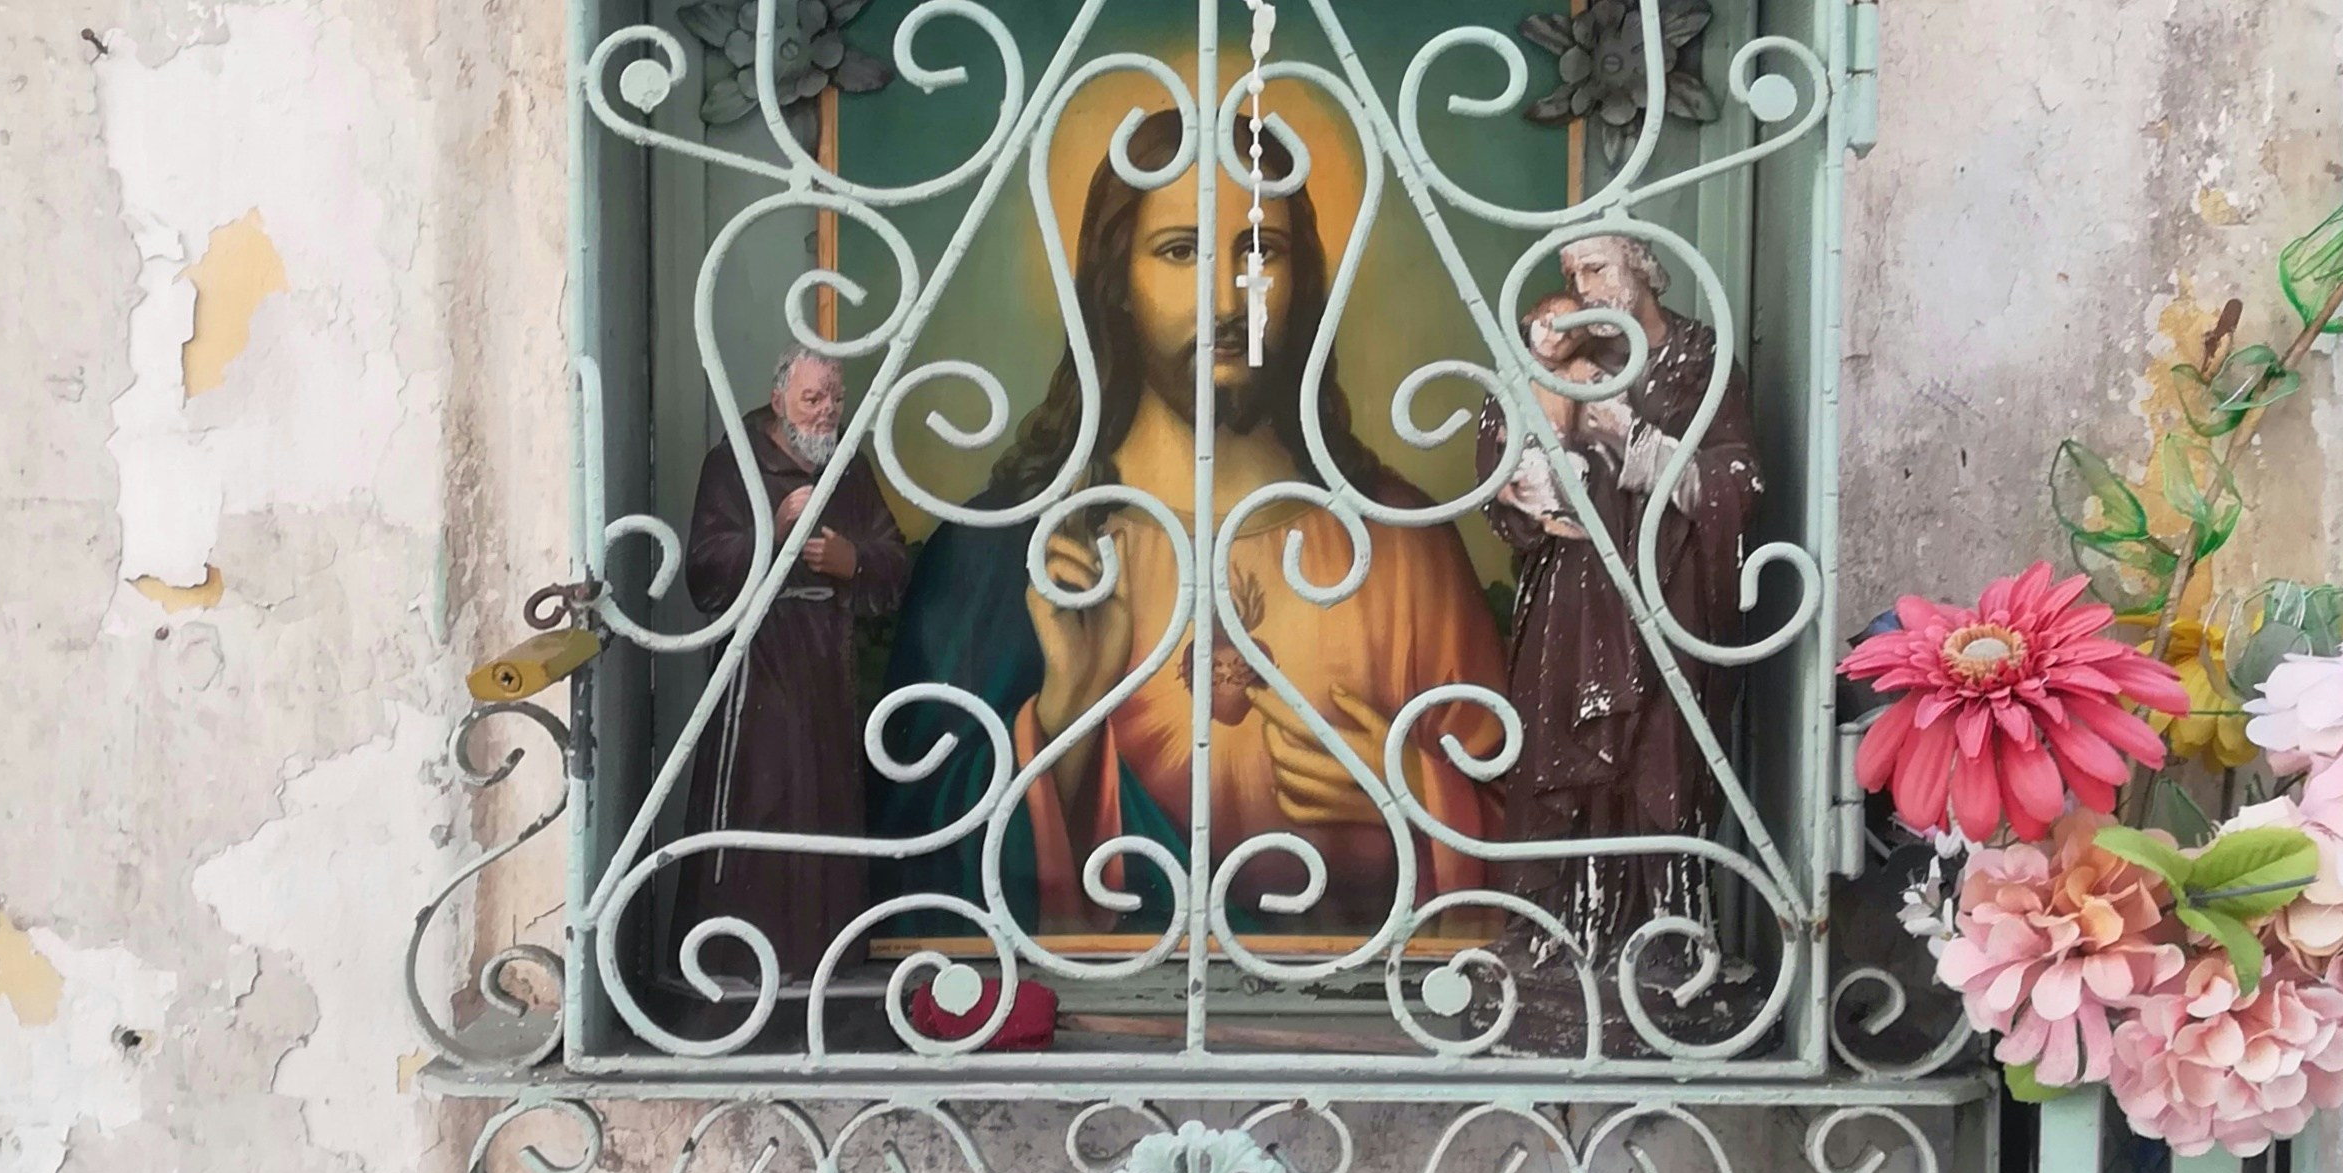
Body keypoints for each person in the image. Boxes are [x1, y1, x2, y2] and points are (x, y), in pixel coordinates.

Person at [877, 109, 1504, 940]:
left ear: (1303, 277)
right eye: (1179, 251)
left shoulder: (1402, 542)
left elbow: (1525, 820)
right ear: (1115, 283)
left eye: (1259, 250)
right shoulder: (1011, 548)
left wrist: (1414, 799)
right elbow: (916, 854)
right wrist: (1065, 720)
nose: (1224, 297)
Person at [1475, 235, 1764, 956]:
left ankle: (1660, 944)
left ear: (1642, 267)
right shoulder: (1560, 362)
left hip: (1670, 595)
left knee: (1660, 761)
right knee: (1559, 754)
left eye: (1596, 267)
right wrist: (1515, 474)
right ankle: (1560, 937)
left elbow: (1740, 480)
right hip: (1572, 596)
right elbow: (1500, 455)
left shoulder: (1699, 358)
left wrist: (1639, 445)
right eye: (1570, 273)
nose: (1582, 288)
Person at [676, 348, 910, 988]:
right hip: (760, 660)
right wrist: (773, 532)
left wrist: (851, 560)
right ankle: (733, 956)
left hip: (829, 664)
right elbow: (704, 568)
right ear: (779, 399)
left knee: (826, 801)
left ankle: (824, 955)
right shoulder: (735, 465)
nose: (828, 411)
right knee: (763, 794)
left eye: (836, 398)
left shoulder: (849, 470)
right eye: (814, 399)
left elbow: (894, 560)